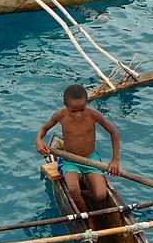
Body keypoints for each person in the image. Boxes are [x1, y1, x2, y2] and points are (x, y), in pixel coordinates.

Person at [36, 84, 121, 227]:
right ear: (65, 106)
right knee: (73, 189)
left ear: (87, 104)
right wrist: (38, 140)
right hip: (70, 160)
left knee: (101, 195)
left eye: (82, 109)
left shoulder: (93, 115)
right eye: (73, 111)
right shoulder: (60, 115)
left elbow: (114, 132)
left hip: (90, 159)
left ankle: (84, 194)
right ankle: (88, 218)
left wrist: (115, 160)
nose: (78, 115)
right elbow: (44, 128)